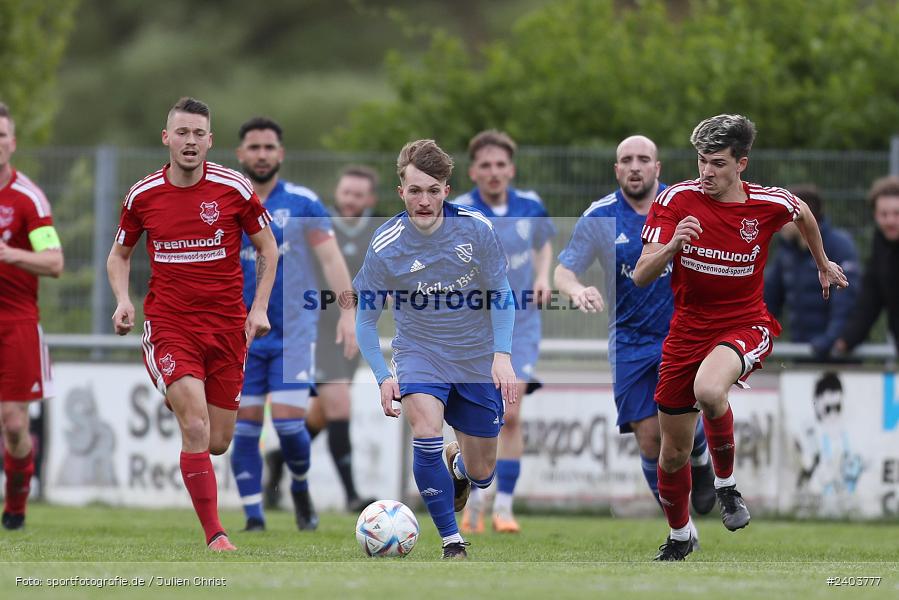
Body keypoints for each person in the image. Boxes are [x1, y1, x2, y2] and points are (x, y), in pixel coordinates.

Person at [632, 114, 848, 561]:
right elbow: (640, 274)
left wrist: (822, 262)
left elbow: (803, 213)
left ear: (741, 164)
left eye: (717, 163)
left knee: (710, 390)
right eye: (701, 161)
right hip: (687, 331)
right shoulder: (676, 200)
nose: (706, 172)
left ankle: (727, 486)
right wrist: (671, 246)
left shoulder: (767, 203)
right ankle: (679, 537)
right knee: (671, 454)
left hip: (745, 323)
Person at [107, 97, 278, 551]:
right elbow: (119, 255)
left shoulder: (234, 188)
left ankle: (183, 396)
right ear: (167, 137)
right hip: (170, 325)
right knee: (197, 426)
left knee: (218, 440)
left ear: (210, 141)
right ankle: (215, 534)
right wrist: (123, 300)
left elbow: (268, 248)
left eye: (198, 134)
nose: (189, 141)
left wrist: (259, 308)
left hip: (226, 329)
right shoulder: (143, 195)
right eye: (181, 132)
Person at [354, 139, 517, 559]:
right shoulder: (385, 244)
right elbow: (366, 320)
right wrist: (383, 376)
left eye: (432, 190)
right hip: (419, 352)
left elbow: (501, 293)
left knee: (482, 473)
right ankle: (452, 541)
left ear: (447, 189)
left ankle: (459, 465)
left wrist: (502, 355)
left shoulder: (476, 229)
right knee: (425, 430)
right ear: (401, 192)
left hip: (476, 356)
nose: (424, 201)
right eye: (414, 191)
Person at [554, 135, 715, 539]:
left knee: (682, 426)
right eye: (626, 160)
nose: (635, 166)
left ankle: (700, 456)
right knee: (649, 441)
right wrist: (577, 290)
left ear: (657, 168)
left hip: (682, 332)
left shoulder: (684, 205)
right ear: (617, 170)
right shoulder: (600, 216)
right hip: (628, 340)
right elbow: (563, 271)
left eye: (643, 159)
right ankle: (683, 529)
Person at [230, 117, 357, 532]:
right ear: (240, 153)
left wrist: (349, 313)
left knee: (288, 426)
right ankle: (253, 517)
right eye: (254, 147)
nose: (261, 154)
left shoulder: (303, 203)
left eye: (269, 147)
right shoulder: (226, 201)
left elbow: (331, 260)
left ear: (280, 154)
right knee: (245, 429)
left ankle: (299, 484)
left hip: (294, 333)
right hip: (240, 336)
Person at [452, 130, 555, 534]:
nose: (493, 172)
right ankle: (474, 500)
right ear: (473, 172)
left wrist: (543, 276)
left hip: (521, 325)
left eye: (500, 165)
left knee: (510, 414)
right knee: (479, 417)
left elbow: (543, 245)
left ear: (511, 169)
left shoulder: (530, 206)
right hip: (473, 329)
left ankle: (504, 508)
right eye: (485, 165)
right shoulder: (459, 211)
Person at [0, 101, 64, 530]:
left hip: (16, 323)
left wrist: (10, 254)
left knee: (13, 424)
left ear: (13, 143)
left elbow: (55, 261)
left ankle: (16, 506)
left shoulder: (28, 199)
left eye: (1, 135)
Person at [764, 184, 859, 360]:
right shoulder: (786, 251)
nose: (778, 222)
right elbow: (768, 299)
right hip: (801, 351)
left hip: (836, 356)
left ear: (802, 217)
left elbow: (846, 303)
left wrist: (828, 341)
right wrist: (757, 333)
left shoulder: (840, 246)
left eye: (783, 216)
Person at [833, 176, 899, 356]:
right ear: (875, 215)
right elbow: (870, 300)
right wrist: (847, 340)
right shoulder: (881, 246)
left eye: (896, 213)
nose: (890, 220)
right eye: (884, 214)